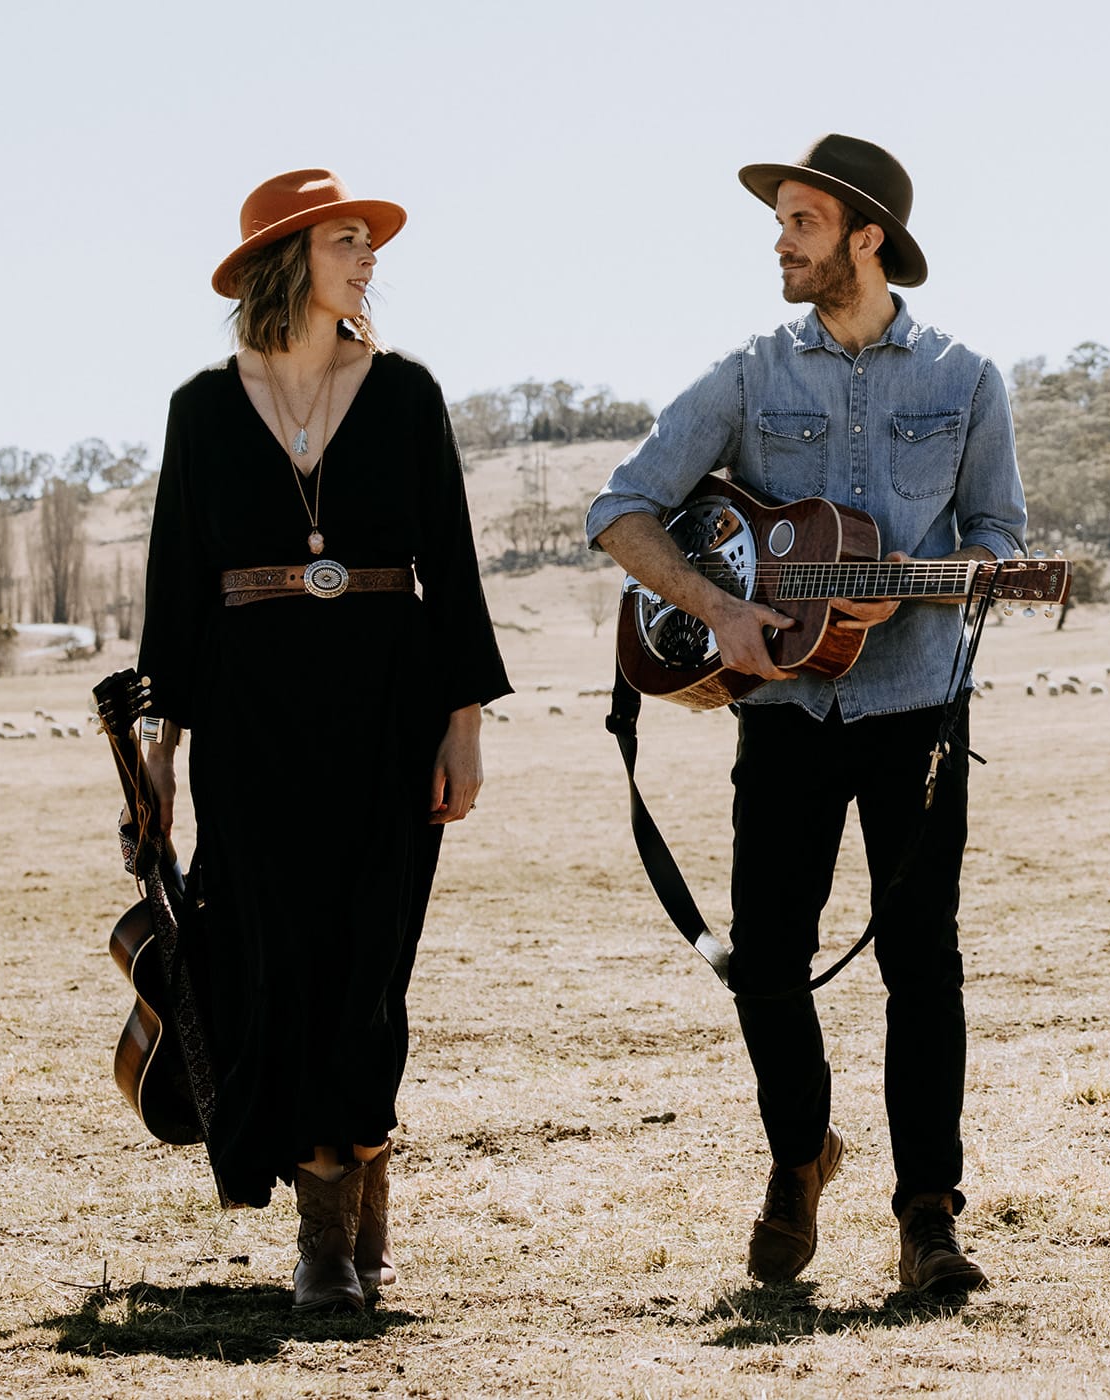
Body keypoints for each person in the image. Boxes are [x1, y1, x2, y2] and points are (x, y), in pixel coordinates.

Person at [586, 135, 1026, 1294]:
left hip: (917, 708)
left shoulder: (966, 380)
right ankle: (799, 1154)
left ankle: (927, 1215)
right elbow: (620, 508)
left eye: (799, 222)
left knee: (921, 963)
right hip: (782, 715)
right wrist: (718, 610)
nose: (778, 242)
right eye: (780, 221)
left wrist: (952, 578)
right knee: (766, 962)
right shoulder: (745, 375)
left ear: (864, 238)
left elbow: (998, 537)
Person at [136, 168, 511, 1313]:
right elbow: (175, 591)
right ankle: (324, 1242)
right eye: (347, 240)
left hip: (389, 709)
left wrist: (464, 724)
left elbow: (448, 566)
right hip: (249, 722)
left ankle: (357, 1166)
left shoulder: (404, 394)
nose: (369, 258)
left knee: (367, 965)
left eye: (368, 242)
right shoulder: (201, 408)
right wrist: (155, 749)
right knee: (272, 961)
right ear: (288, 259)